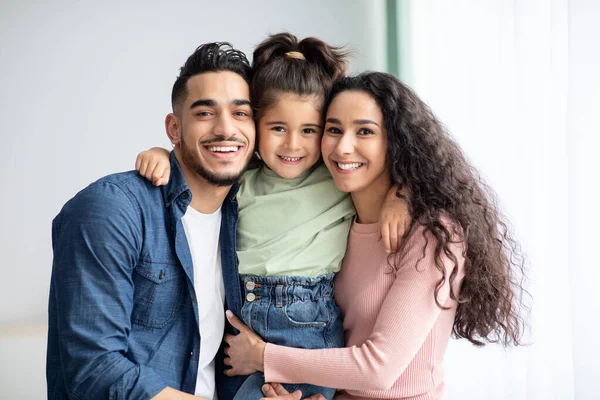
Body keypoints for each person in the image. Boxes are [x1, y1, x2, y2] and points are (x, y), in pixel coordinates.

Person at [135, 34, 410, 400]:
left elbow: (396, 172)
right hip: (241, 321)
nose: (293, 144)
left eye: (309, 131)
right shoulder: (241, 177)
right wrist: (161, 153)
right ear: (256, 125)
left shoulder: (334, 179)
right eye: (278, 128)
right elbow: (197, 161)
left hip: (306, 326)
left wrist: (402, 195)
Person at [222, 72, 527, 400]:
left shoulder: (433, 236)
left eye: (364, 131)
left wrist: (263, 357)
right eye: (334, 130)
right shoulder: (335, 219)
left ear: (397, 141)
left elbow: (378, 369)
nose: (343, 147)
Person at [47, 42, 256, 400]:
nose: (226, 129)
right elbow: (95, 371)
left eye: (241, 113)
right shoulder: (110, 210)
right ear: (174, 129)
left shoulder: (249, 214)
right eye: (205, 113)